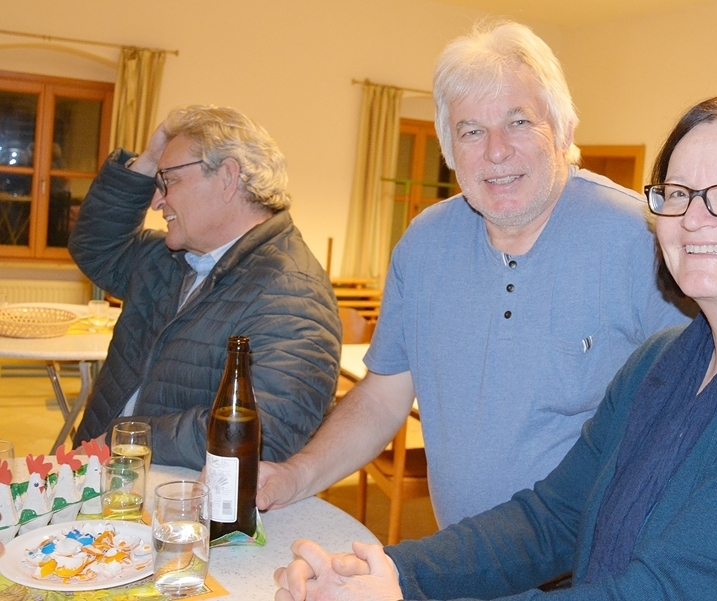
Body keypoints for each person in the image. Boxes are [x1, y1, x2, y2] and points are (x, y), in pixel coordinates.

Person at [273, 95, 717, 600]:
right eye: (678, 193)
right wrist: (394, 572)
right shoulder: (663, 361)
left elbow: (663, 594)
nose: (695, 217)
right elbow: (553, 517)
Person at [256, 21, 688, 527]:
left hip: (593, 557)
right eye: (471, 131)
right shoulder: (424, 244)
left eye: (518, 122)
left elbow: (698, 411)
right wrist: (295, 475)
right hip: (460, 553)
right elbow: (381, 398)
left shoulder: (642, 239)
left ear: (564, 129)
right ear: (449, 149)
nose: (496, 151)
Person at [70, 105, 341, 471]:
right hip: (110, 477)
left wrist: (128, 439)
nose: (157, 201)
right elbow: (95, 247)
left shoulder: (292, 293)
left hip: (177, 498)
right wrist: (148, 160)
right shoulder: (171, 258)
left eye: (169, 181)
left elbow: (264, 432)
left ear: (227, 177)